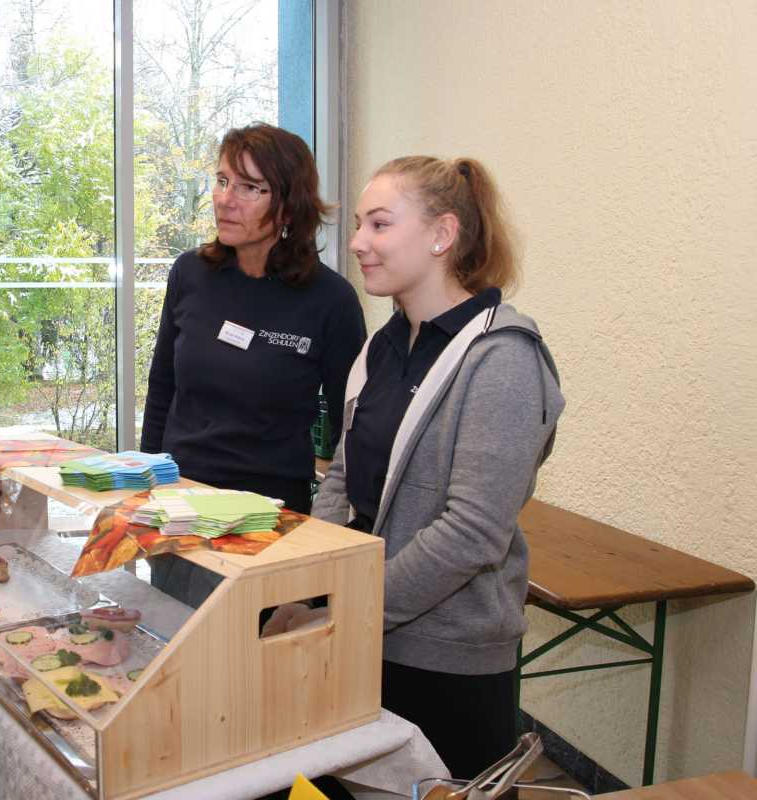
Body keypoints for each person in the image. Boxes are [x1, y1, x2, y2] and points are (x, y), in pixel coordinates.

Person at [307, 156, 565, 779]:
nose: (357, 242)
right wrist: (314, 585)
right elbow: (342, 478)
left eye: (379, 224)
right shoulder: (382, 347)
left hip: (447, 659)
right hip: (363, 631)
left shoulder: (502, 358)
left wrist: (354, 605)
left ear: (442, 235)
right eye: (360, 225)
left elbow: (472, 531)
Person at [140, 123, 366, 606]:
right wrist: (148, 486)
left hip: (267, 518)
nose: (226, 199)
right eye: (222, 181)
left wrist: (333, 524)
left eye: (248, 187)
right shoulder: (190, 274)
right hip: (181, 506)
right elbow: (162, 388)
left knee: (249, 647)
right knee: (176, 638)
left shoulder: (330, 300)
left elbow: (356, 425)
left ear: (287, 205)